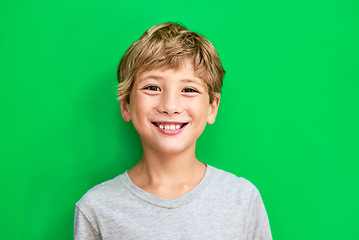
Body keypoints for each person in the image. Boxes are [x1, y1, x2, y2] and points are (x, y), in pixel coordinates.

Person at [74, 22, 272, 240]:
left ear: (212, 108)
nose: (170, 106)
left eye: (188, 90)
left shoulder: (243, 199)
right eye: (152, 88)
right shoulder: (96, 208)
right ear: (125, 105)